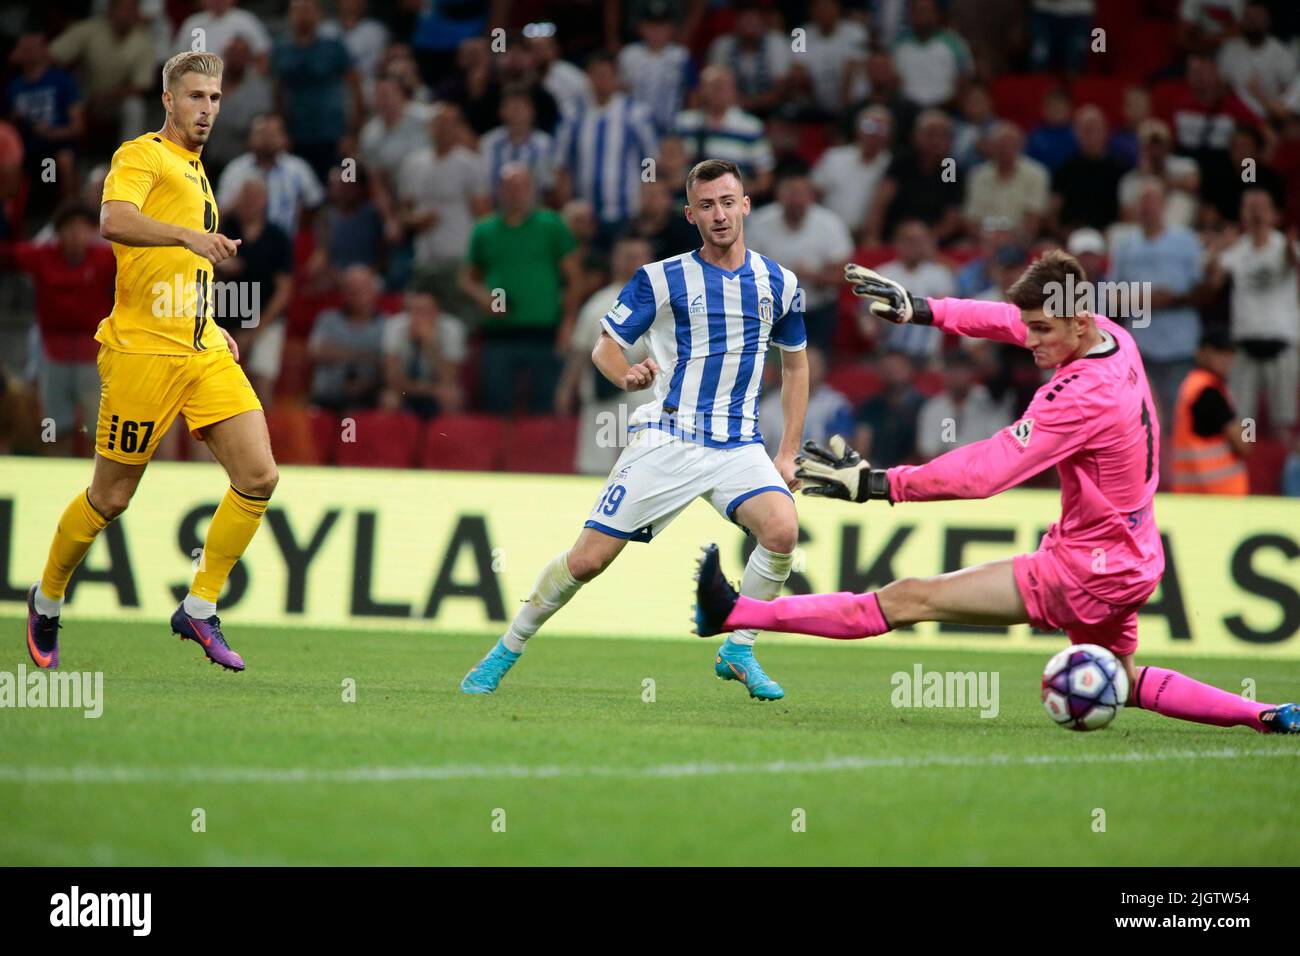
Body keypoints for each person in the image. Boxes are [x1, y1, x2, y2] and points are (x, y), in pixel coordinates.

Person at [692, 251, 1299, 735]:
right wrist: (922, 309)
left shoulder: (1081, 396)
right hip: (1133, 559)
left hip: (1084, 570)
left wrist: (879, 485)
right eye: (1031, 326)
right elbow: (1008, 320)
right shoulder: (1110, 334)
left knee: (909, 600)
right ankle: (1268, 714)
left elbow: (987, 473)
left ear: (1077, 322)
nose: (1030, 341)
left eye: (1043, 331)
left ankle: (738, 612)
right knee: (1123, 677)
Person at [461, 159, 809, 701]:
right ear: (691, 215)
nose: (719, 215)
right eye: (706, 206)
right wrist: (626, 375)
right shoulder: (661, 278)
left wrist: (787, 452)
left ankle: (738, 649)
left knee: (783, 531)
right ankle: (506, 648)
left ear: (745, 205)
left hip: (739, 445)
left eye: (727, 202)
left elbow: (795, 366)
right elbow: (605, 346)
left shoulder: (779, 284)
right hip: (669, 439)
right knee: (587, 561)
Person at [24, 51, 278, 674]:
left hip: (199, 352)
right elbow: (115, 220)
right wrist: (190, 236)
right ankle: (47, 597)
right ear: (168, 100)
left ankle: (199, 605)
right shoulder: (141, 155)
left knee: (259, 477)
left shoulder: (197, 171)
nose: (207, 110)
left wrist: (211, 324)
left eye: (216, 99)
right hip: (141, 354)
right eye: (196, 97)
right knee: (110, 498)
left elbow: (181, 272)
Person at [1169, 328, 1250, 494]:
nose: (1227, 359)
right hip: (1216, 495)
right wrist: (1250, 423)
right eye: (1219, 352)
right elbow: (1245, 444)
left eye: (1230, 353)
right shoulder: (1208, 391)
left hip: (1196, 493)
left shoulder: (1194, 385)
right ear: (1201, 353)